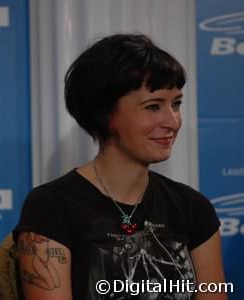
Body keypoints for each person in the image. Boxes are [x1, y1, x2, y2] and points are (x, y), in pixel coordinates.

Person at [14, 34, 226, 299]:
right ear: (105, 113)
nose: (173, 121)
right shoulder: (51, 207)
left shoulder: (194, 207)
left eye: (176, 104)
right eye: (153, 106)